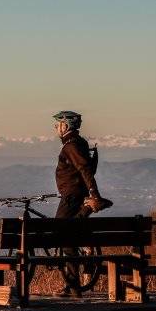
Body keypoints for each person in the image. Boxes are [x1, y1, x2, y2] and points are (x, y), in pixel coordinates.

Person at [52, 110, 112, 295]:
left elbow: (84, 170)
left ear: (66, 126)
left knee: (58, 230)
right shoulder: (80, 143)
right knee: (68, 239)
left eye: (58, 124)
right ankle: (73, 285)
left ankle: (87, 208)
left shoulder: (71, 146)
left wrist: (94, 195)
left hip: (72, 196)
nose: (55, 128)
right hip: (76, 193)